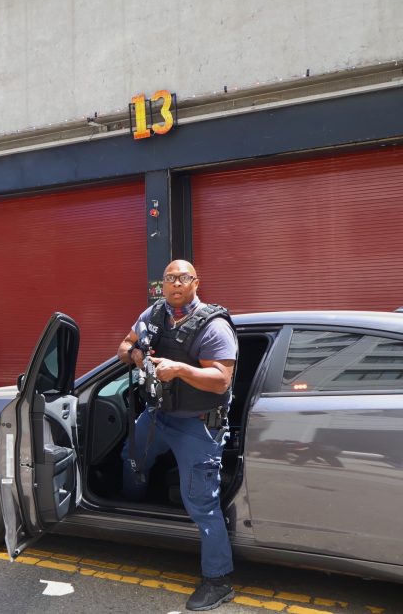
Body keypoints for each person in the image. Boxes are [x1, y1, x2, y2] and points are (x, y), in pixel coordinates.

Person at [117, 259, 238, 611]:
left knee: (201, 502)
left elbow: (221, 379)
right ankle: (129, 516)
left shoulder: (213, 327)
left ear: (196, 282)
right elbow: (123, 346)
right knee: (132, 457)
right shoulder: (153, 315)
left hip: (197, 425)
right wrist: (138, 356)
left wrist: (181, 369)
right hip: (159, 416)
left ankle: (218, 581)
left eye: (183, 278)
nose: (175, 284)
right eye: (169, 278)